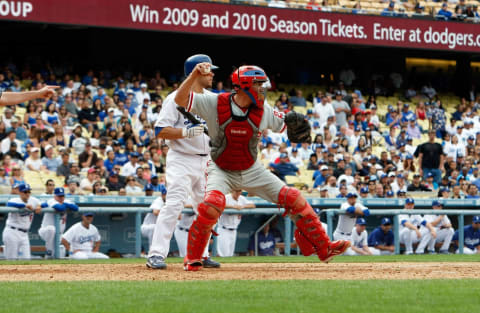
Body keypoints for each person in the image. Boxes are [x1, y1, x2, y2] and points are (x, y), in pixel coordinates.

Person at [175, 62, 350, 271]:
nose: (263, 88)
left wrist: (296, 125)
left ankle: (324, 248)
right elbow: (179, 99)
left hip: (251, 169)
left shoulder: (264, 110)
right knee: (211, 206)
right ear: (244, 84)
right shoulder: (214, 102)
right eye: (258, 84)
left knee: (294, 198)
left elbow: (287, 125)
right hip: (221, 168)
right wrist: (195, 74)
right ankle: (193, 258)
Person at [147, 54, 220, 270]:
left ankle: (202, 254)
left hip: (206, 160)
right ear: (196, 72)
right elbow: (160, 131)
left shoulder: (211, 98)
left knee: (206, 209)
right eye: (208, 70)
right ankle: (156, 254)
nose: (212, 74)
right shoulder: (174, 99)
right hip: (181, 159)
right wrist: (184, 132)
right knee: (174, 205)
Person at [2, 184, 43, 259]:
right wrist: (24, 206)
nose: (27, 194)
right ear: (20, 192)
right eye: (25, 192)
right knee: (12, 259)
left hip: (24, 234)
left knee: (26, 259)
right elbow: (9, 204)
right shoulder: (14, 200)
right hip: (12, 232)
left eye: (28, 192)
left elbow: (43, 203)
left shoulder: (33, 200)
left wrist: (39, 206)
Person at [38, 187, 79, 258]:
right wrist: (66, 205)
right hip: (46, 231)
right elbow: (60, 208)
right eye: (59, 196)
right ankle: (49, 252)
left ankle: (50, 257)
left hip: (59, 235)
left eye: (62, 196)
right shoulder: (51, 201)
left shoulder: (66, 201)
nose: (61, 198)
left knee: (58, 256)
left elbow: (76, 208)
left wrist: (65, 204)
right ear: (55, 196)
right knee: (52, 229)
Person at [216, 190, 255, 257]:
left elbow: (253, 205)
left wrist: (243, 206)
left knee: (230, 255)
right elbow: (218, 204)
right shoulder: (226, 197)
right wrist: (233, 207)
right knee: (224, 255)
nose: (238, 193)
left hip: (234, 230)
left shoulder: (241, 198)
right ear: (232, 191)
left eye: (239, 191)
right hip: (224, 230)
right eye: (236, 191)